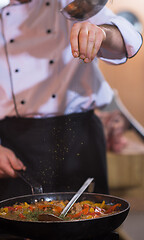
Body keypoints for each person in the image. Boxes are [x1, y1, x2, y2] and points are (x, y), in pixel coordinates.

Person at [0, 0, 142, 200]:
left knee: (90, 220)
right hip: (13, 146)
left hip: (77, 139)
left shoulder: (71, 5)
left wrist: (101, 33)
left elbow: (124, 36)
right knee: (15, 224)